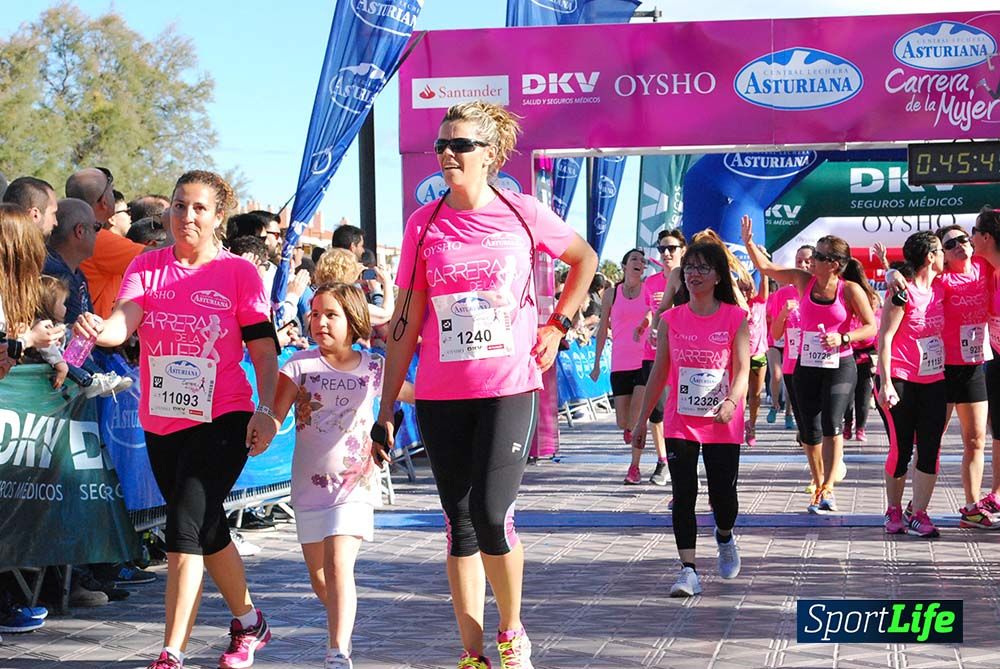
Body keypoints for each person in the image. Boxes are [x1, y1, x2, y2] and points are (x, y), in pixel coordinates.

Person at [374, 101, 597, 669]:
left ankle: (511, 630)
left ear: (490, 155)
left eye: (461, 145)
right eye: (442, 145)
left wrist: (559, 325)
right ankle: (471, 654)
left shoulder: (523, 214)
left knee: (493, 513)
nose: (448, 153)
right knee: (459, 521)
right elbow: (405, 324)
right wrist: (385, 411)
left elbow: (584, 259)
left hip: (510, 385)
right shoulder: (423, 225)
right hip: (443, 394)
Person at [72, 170, 279, 669]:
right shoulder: (148, 265)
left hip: (223, 414)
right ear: (167, 211)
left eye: (199, 208)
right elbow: (126, 320)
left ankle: (172, 652)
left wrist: (267, 410)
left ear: (217, 217)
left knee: (183, 531)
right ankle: (250, 623)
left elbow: (265, 349)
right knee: (207, 529)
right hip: (162, 418)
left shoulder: (237, 274)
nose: (187, 216)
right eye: (179, 206)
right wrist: (99, 330)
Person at [269, 284, 382, 669]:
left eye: (330, 315)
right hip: (308, 486)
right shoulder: (298, 365)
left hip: (356, 484)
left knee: (338, 566)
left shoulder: (374, 366)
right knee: (321, 579)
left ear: (352, 320)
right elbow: (274, 413)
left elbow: (413, 393)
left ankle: (337, 652)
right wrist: (257, 427)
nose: (320, 322)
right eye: (315, 314)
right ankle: (342, 611)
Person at [632, 240, 750, 597]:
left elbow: (743, 369)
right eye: (690, 268)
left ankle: (725, 535)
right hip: (681, 419)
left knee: (722, 495)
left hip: (722, 419)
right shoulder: (670, 320)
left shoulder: (735, 317)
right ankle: (688, 569)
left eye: (702, 268)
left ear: (717, 276)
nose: (694, 274)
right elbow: (659, 373)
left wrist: (731, 401)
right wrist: (640, 423)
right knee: (684, 493)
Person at [742, 216, 876, 514]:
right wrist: (749, 243)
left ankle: (828, 486)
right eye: (813, 254)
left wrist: (844, 337)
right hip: (806, 364)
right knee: (809, 431)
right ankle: (817, 484)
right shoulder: (804, 281)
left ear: (834, 264)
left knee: (831, 423)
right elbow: (768, 269)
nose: (811, 260)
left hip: (840, 364)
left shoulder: (849, 290)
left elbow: (870, 327)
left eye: (818, 255)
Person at [886, 224, 996, 529]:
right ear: (942, 255)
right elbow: (904, 275)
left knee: (975, 440)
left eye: (964, 239)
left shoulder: (985, 270)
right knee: (928, 442)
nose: (961, 245)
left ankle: (971, 507)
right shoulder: (939, 279)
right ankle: (916, 507)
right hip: (940, 368)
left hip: (975, 364)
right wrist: (890, 273)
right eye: (950, 244)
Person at [875, 231, 947, 538]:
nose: (944, 256)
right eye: (941, 251)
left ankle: (919, 513)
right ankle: (893, 509)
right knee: (901, 448)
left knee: (930, 448)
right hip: (901, 381)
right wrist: (886, 383)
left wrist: (889, 267)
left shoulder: (942, 289)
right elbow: (885, 339)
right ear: (930, 257)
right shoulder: (901, 292)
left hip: (934, 380)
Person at [590, 249, 659, 484]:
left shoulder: (648, 289)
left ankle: (634, 467)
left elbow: (654, 313)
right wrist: (597, 362)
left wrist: (645, 325)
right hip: (619, 362)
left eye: (642, 261)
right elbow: (602, 329)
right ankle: (630, 429)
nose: (639, 263)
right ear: (625, 265)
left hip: (644, 360)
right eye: (634, 259)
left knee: (639, 417)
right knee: (624, 421)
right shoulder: (611, 294)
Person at [637, 229, 685, 486]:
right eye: (662, 249)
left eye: (672, 248)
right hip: (653, 352)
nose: (666, 253)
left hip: (683, 354)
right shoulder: (651, 282)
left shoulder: (691, 280)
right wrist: (646, 326)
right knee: (657, 411)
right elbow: (651, 311)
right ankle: (662, 460)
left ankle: (683, 460)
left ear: (683, 250)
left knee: (678, 409)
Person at [766, 246, 813, 431]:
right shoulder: (782, 295)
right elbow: (775, 330)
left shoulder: (825, 290)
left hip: (821, 359)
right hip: (785, 349)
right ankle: (777, 405)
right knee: (779, 377)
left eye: (807, 260)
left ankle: (791, 416)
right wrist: (784, 312)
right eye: (799, 260)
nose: (803, 264)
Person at [841, 259, 881, 443]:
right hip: (864, 349)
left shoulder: (843, 292)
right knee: (863, 393)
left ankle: (850, 426)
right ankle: (859, 429)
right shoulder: (871, 296)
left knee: (849, 392)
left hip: (850, 349)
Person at [741, 266, 769, 447]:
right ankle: (736, 425)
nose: (745, 292)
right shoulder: (734, 306)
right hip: (740, 356)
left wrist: (762, 269)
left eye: (748, 288)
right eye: (741, 288)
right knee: (740, 394)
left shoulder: (760, 302)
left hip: (758, 354)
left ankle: (751, 425)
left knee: (756, 396)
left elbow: (764, 285)